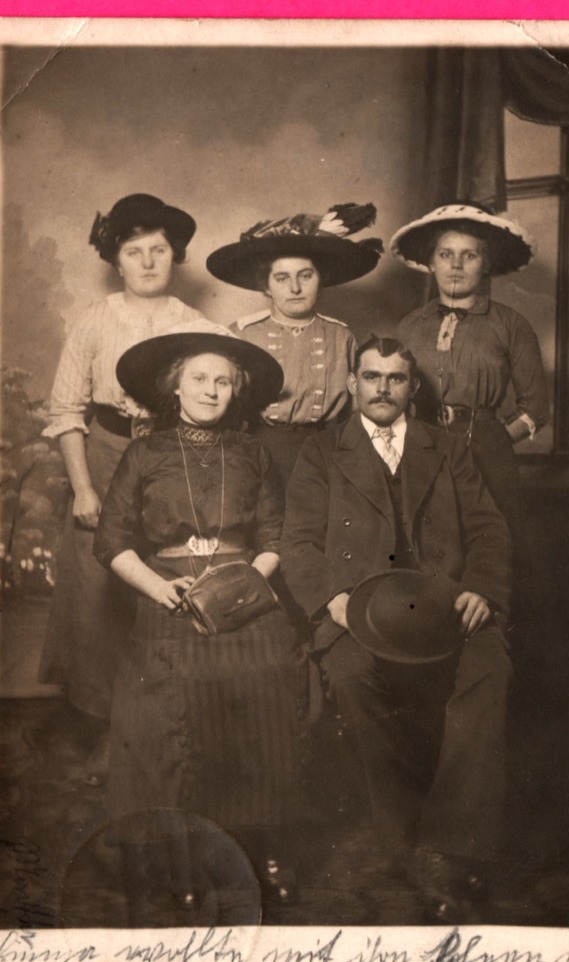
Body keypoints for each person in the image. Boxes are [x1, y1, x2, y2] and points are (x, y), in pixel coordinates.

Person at [280, 336, 512, 923]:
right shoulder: (323, 452)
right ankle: (397, 834)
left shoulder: (448, 448)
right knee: (353, 676)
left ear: (414, 388)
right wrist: (328, 600)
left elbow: (488, 528)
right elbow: (299, 543)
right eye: (371, 376)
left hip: (443, 606)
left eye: (397, 378)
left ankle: (452, 844)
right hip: (357, 611)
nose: (383, 387)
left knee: (489, 669)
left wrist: (482, 588)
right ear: (351, 384)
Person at [93, 331, 304, 918]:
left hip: (243, 594)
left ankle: (264, 850)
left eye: (222, 381)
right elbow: (111, 542)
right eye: (199, 379)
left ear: (236, 392)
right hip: (164, 596)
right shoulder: (144, 453)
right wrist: (160, 588)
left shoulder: (254, 452)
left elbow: (275, 538)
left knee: (267, 681)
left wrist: (239, 586)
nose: (211, 390)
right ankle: (181, 858)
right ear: (175, 387)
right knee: (167, 707)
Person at [39, 194, 225, 782]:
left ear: (175, 257)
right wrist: (85, 489)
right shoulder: (94, 321)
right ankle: (100, 728)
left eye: (159, 251)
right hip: (104, 454)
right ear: (116, 261)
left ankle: (158, 730)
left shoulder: (196, 326)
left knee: (163, 590)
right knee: (97, 595)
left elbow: (219, 402)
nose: (147, 262)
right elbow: (67, 409)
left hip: (171, 462)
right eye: (134, 251)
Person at [391, 201, 548, 553]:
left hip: (487, 454)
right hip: (421, 449)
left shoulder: (511, 325)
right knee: (427, 551)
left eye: (470, 256)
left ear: (487, 264)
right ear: (431, 263)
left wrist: (492, 441)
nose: (456, 265)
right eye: (446, 254)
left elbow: (536, 408)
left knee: (490, 550)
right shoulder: (409, 326)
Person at [206, 202, 383, 485]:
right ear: (266, 285)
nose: (295, 288)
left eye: (306, 276)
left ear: (321, 278)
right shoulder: (243, 334)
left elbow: (354, 411)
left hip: (325, 453)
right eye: (282, 278)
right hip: (258, 453)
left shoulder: (341, 336)